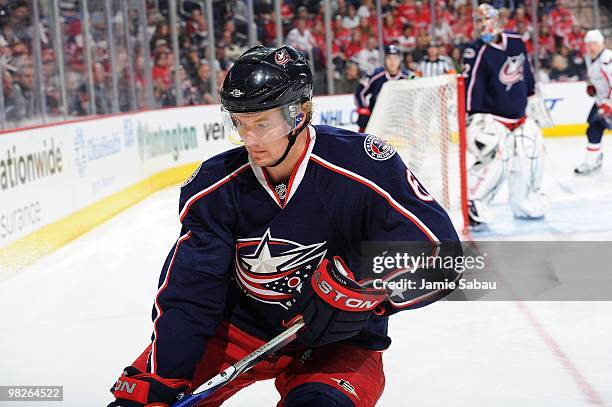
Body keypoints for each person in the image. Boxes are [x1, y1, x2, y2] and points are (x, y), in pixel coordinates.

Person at [108, 45, 461, 407]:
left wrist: (358, 288)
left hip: (337, 344)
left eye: (262, 123)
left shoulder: (363, 166)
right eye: (241, 124)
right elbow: (189, 293)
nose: (251, 139)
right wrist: (164, 375)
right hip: (240, 333)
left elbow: (442, 256)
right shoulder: (214, 187)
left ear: (299, 114)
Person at [461, 4, 548, 227]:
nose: (482, 25)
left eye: (486, 19)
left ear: (497, 20)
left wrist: (532, 94)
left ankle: (523, 202)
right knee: (498, 157)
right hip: (493, 119)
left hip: (519, 119)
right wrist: (471, 119)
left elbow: (526, 72)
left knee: (531, 152)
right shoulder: (475, 51)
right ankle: (473, 202)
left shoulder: (516, 41)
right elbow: (472, 88)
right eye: (478, 21)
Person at [355, 44, 417, 133]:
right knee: (363, 119)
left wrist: (411, 115)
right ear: (384, 59)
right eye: (389, 58)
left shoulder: (408, 77)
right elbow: (360, 93)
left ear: (400, 60)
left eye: (395, 58)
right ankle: (362, 141)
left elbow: (414, 97)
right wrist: (363, 108)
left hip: (399, 116)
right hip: (376, 115)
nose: (392, 62)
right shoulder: (375, 75)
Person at [574, 29, 611, 175]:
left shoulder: (608, 59)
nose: (591, 47)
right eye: (588, 44)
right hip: (601, 100)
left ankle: (593, 160)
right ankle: (593, 160)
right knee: (593, 128)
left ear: (601, 43)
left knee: (596, 126)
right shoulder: (589, 57)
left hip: (609, 101)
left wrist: (609, 104)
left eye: (594, 43)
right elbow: (593, 74)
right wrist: (590, 85)